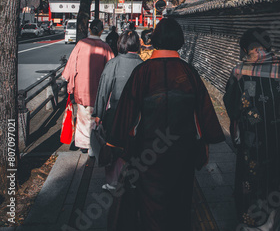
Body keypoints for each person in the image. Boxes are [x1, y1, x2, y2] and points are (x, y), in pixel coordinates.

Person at [107, 17, 225, 231]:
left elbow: (127, 112)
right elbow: (204, 114)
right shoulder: (189, 73)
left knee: (150, 207)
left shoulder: (142, 72)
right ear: (179, 41)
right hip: (183, 152)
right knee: (181, 204)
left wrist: (116, 143)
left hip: (148, 153)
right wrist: (206, 142)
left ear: (155, 40)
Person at [223, 27, 280, 231]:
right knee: (278, 186)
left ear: (246, 49)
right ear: (268, 46)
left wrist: (236, 131)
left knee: (251, 186)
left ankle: (253, 225)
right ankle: (276, 224)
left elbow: (232, 107)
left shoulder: (239, 72)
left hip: (252, 147)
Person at [93, 29, 143, 189]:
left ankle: (113, 182)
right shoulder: (143, 65)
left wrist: (98, 114)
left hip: (115, 113)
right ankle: (133, 180)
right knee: (134, 148)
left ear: (120, 44)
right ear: (137, 44)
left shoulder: (113, 64)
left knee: (113, 148)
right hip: (138, 116)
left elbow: (103, 90)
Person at [62, 19, 113, 155]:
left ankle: (84, 144)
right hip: (98, 89)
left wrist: (67, 79)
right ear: (101, 31)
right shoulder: (105, 47)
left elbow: (72, 63)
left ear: (90, 29)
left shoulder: (81, 44)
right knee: (96, 117)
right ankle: (94, 144)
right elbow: (111, 67)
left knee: (83, 116)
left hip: (81, 87)